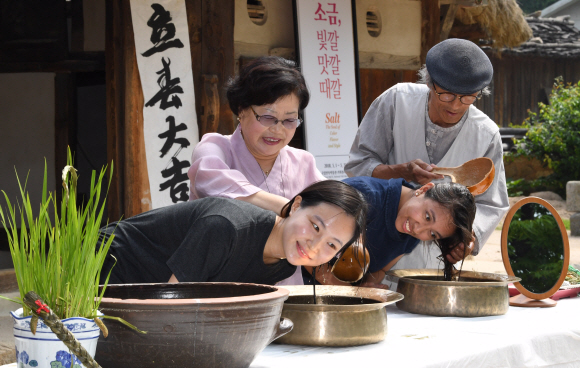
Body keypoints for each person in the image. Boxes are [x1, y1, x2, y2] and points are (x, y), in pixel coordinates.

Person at [344, 38, 509, 269]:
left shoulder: (486, 134)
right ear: (430, 83)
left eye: (468, 98)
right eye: (447, 95)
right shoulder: (397, 101)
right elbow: (358, 165)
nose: (456, 106)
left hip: (435, 267)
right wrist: (400, 172)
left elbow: (492, 203)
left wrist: (469, 237)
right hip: (377, 253)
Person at [188, 56, 324, 285]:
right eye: (268, 117)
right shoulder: (216, 148)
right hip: (220, 292)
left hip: (286, 296)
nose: (278, 130)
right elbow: (212, 183)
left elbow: (331, 207)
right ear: (241, 110)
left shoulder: (303, 162)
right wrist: (288, 207)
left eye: (289, 120)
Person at [99, 180, 367, 286]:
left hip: (138, 293)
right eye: (316, 226)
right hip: (96, 266)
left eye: (332, 246)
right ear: (296, 205)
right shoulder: (227, 227)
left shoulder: (284, 265)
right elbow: (171, 307)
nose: (314, 245)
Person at [303, 176, 476, 287]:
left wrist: (368, 286)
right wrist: (352, 294)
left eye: (433, 234)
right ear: (424, 189)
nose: (419, 229)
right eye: (427, 217)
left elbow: (380, 271)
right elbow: (307, 247)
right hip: (293, 286)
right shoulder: (362, 195)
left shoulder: (411, 235)